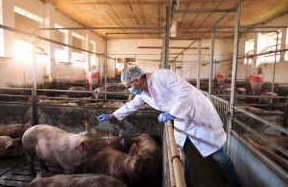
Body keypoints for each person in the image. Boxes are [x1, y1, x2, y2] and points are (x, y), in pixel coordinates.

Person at [98, 65, 241, 187]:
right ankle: (188, 182)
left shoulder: (162, 75)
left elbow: (185, 92)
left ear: (136, 80)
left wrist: (172, 113)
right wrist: (112, 116)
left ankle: (235, 183)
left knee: (219, 155)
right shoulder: (143, 93)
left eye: (129, 87)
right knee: (182, 153)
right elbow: (131, 105)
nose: (129, 90)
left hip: (199, 114)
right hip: (181, 119)